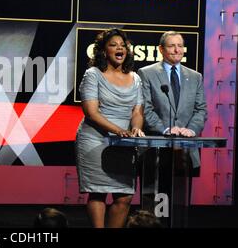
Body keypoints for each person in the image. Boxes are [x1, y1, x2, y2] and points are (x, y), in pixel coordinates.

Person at [75, 28, 145, 228]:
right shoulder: (93, 74)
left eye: (122, 45)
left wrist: (136, 129)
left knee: (125, 196)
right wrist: (117, 130)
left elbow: (137, 112)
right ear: (104, 51)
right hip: (95, 140)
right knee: (98, 192)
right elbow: (91, 112)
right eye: (113, 45)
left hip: (124, 143)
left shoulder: (135, 78)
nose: (119, 48)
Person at [137, 31, 207, 207]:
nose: (177, 50)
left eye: (180, 46)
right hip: (156, 150)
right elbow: (146, 108)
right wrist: (166, 129)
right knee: (155, 204)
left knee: (179, 202)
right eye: (171, 46)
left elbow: (201, 110)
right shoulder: (146, 73)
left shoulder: (195, 76)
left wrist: (191, 129)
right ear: (161, 49)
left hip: (184, 150)